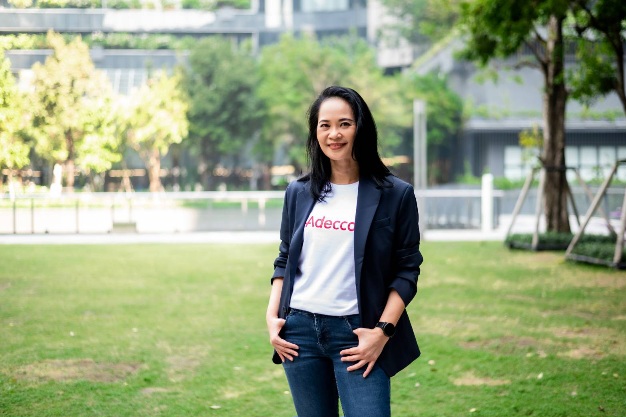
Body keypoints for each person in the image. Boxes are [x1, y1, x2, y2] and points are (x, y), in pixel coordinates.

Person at [266, 86, 423, 417]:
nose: (334, 134)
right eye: (324, 125)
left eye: (344, 124)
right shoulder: (298, 192)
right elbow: (285, 258)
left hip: (358, 332)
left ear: (361, 128)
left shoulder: (395, 194)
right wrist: (272, 316)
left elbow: (407, 270)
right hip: (299, 333)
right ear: (315, 132)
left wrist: (382, 332)